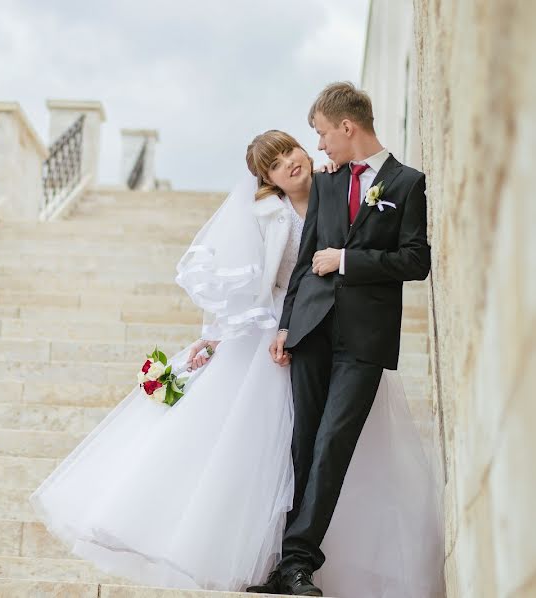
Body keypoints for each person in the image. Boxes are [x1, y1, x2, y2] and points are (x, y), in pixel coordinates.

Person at [30, 126, 442, 596]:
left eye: (290, 150)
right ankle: (276, 560)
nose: (290, 161)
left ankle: (306, 558)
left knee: (336, 448)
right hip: (283, 334)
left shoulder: (342, 184)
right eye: (275, 164)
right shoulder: (269, 213)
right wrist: (219, 339)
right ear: (267, 180)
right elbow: (246, 283)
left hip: (345, 334)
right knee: (279, 449)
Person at [253, 82, 434, 596]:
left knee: (333, 444)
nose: (320, 146)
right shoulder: (329, 183)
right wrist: (287, 324)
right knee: (302, 445)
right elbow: (307, 256)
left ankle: (296, 564)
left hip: (364, 340)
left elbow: (416, 260)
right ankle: (286, 562)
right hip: (310, 329)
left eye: (322, 133)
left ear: (347, 127)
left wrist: (349, 261)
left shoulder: (406, 183)